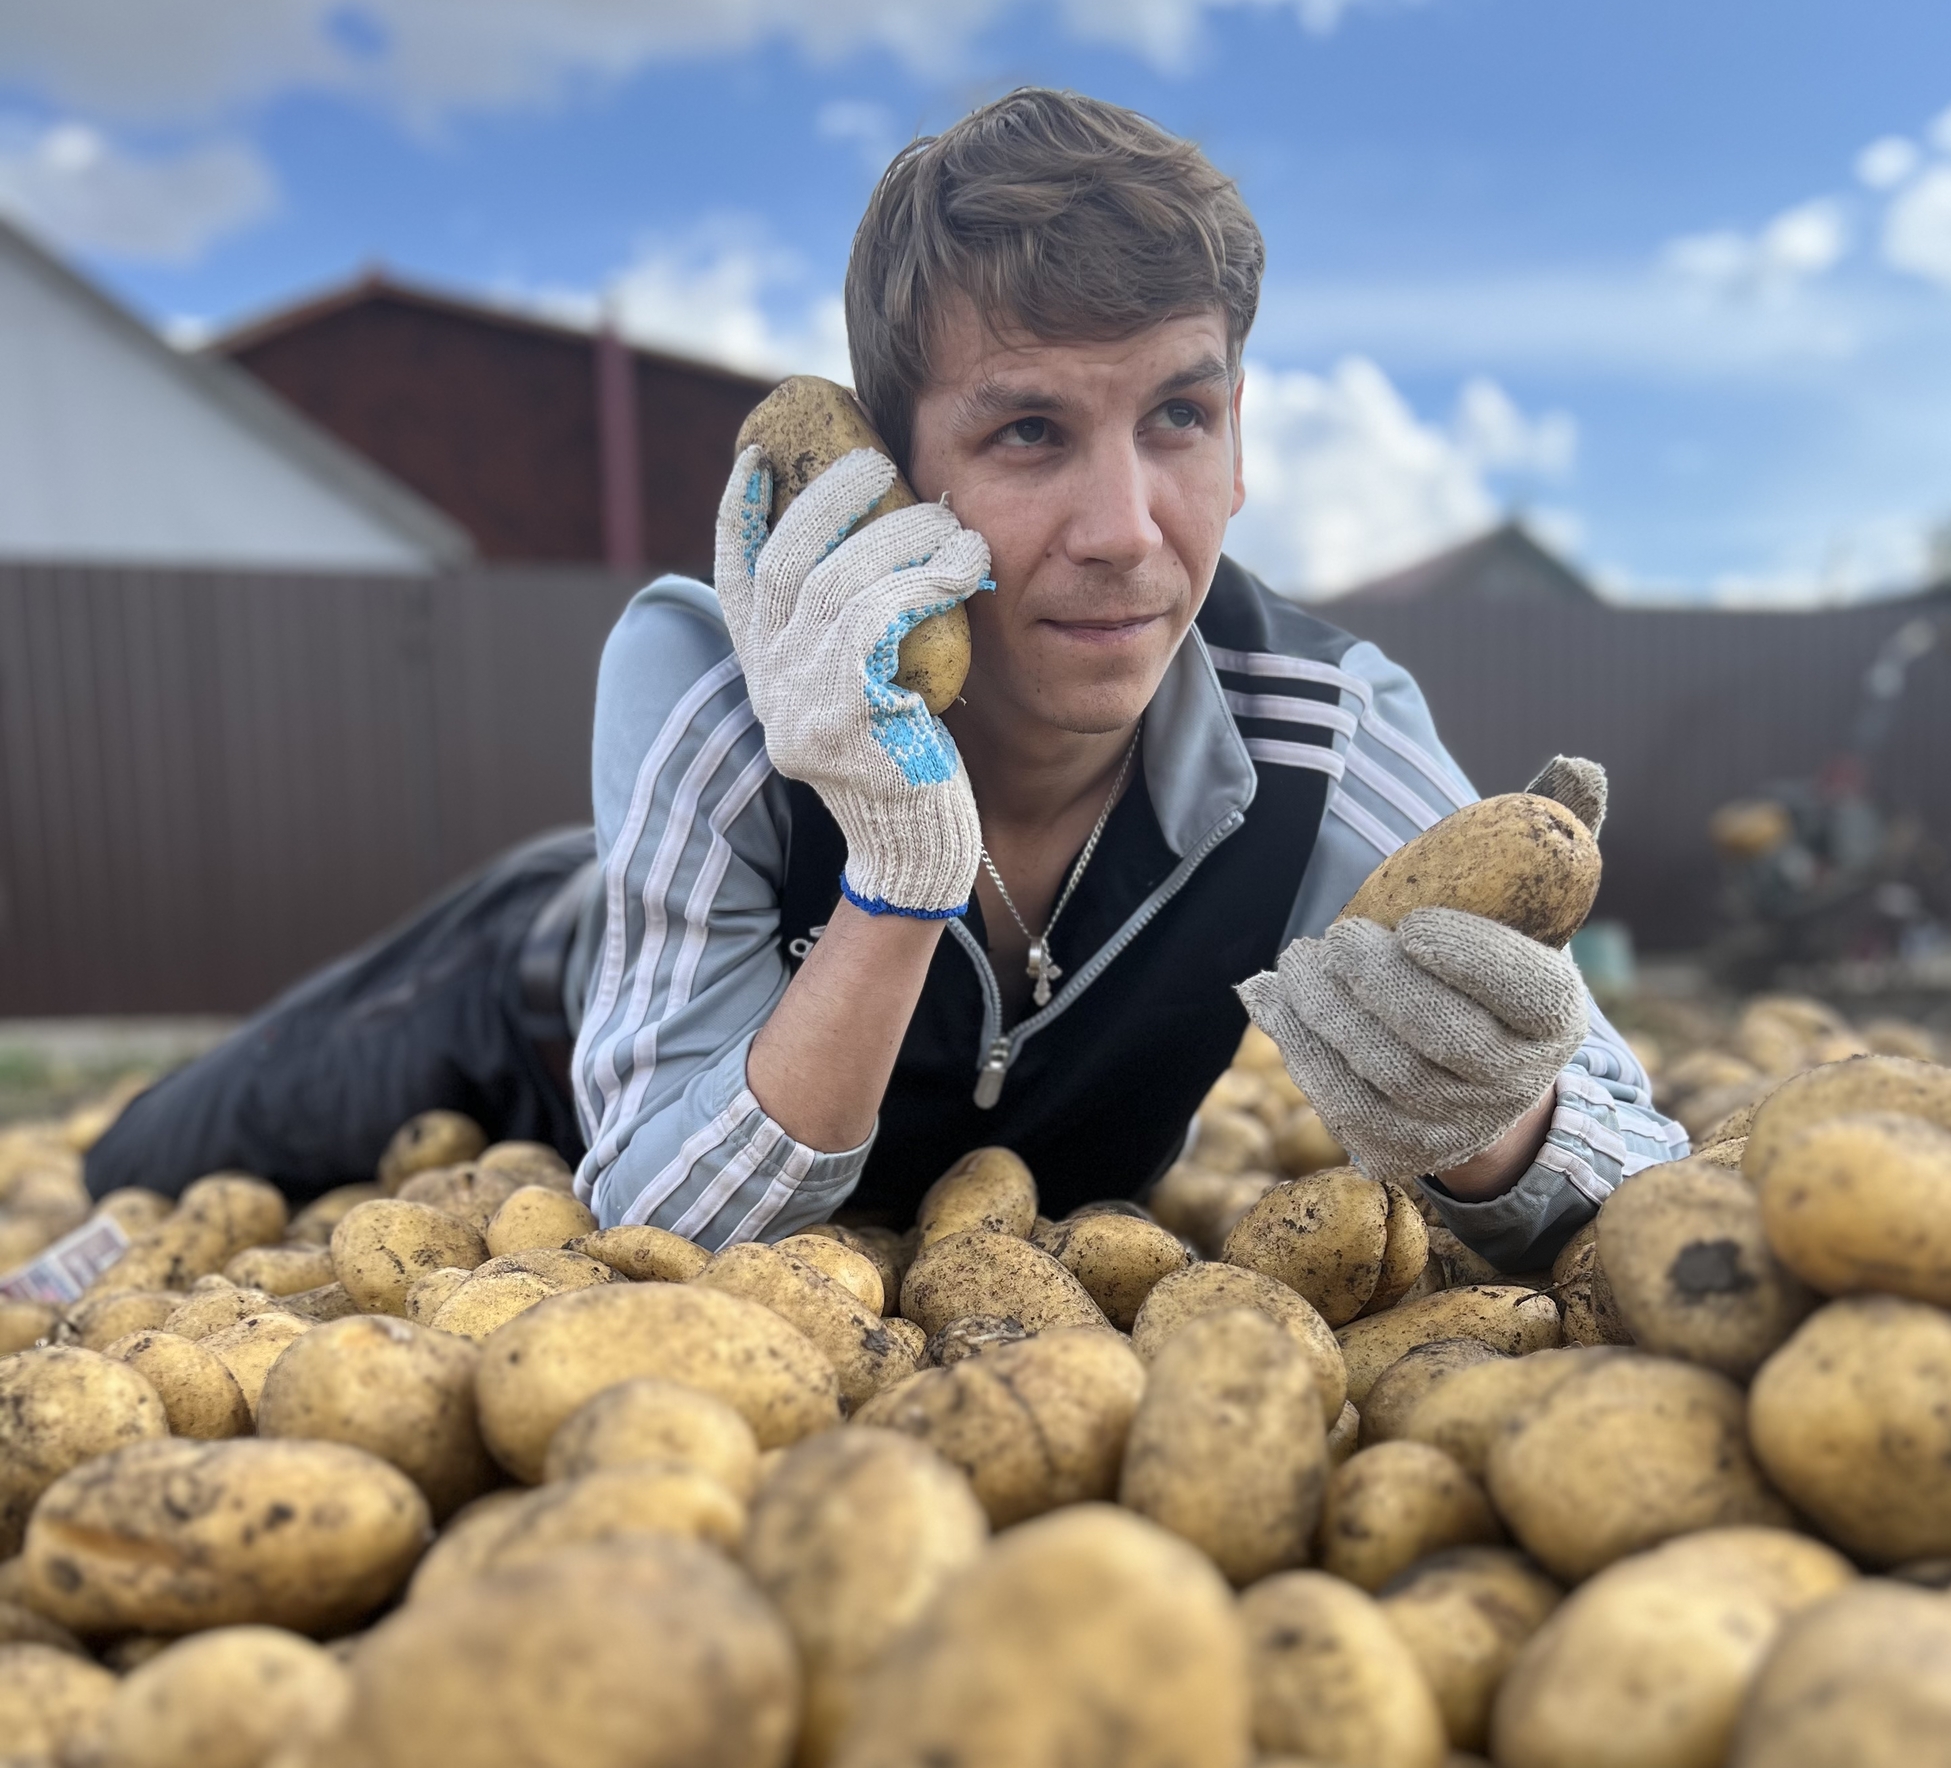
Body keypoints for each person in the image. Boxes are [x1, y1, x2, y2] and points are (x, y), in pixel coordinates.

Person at [91, 88, 1684, 1261]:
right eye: (1028, 432)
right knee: (153, 1157)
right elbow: (654, 1205)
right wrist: (899, 869)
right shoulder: (709, 682)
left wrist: (1496, 1133)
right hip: (522, 994)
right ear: (896, 477)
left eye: (1180, 418)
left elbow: (1639, 1165)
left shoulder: (1321, 729)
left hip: (976, 1230)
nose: (1127, 535)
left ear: (1244, 441)